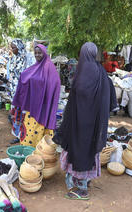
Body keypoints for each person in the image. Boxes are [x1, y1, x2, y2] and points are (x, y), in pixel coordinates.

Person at [53, 42, 117, 200]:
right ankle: (84, 181)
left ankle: (82, 190)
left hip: (80, 123)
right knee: (88, 151)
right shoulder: (101, 72)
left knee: (79, 151)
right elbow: (111, 97)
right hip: (94, 124)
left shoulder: (82, 73)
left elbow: (77, 96)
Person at [11, 44, 60, 147]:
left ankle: (41, 155)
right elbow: (26, 77)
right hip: (32, 108)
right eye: (36, 53)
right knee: (29, 133)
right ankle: (29, 155)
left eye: (39, 52)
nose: (37, 55)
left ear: (44, 53)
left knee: (40, 133)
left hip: (44, 108)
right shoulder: (35, 67)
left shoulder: (49, 68)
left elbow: (54, 85)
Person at [8, 39, 35, 144]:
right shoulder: (13, 59)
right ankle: (18, 135)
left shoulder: (29, 57)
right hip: (15, 91)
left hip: (25, 92)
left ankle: (25, 136)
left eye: (14, 47)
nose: (12, 49)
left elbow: (31, 74)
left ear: (19, 47)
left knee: (24, 115)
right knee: (16, 115)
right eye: (11, 47)